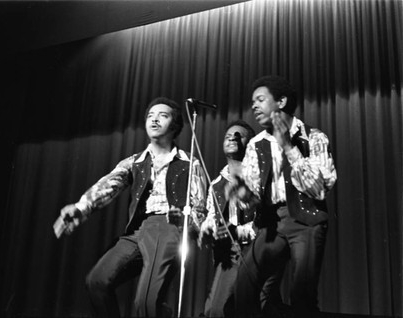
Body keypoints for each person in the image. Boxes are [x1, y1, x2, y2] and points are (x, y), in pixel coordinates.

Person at [57, 97, 207, 318]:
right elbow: (109, 185)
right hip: (137, 231)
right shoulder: (134, 162)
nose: (154, 119)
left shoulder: (189, 162)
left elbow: (201, 209)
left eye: (162, 116)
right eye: (150, 115)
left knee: (146, 302)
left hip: (167, 228)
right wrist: (81, 208)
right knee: (97, 281)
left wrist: (187, 221)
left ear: (174, 126)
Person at [232, 75, 337, 317]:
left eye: (260, 99)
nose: (254, 106)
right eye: (252, 101)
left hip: (306, 221)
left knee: (302, 295)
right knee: (245, 284)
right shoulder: (256, 144)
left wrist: (289, 147)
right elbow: (252, 192)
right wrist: (244, 194)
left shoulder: (313, 137)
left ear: (281, 101)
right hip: (271, 223)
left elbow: (318, 189)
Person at [199, 120, 285, 318]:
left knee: (259, 306)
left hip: (259, 247)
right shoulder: (216, 184)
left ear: (251, 143)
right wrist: (209, 229)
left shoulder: (261, 175)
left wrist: (238, 231)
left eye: (239, 135)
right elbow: (212, 216)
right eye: (228, 135)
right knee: (215, 310)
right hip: (230, 253)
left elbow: (269, 218)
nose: (232, 137)